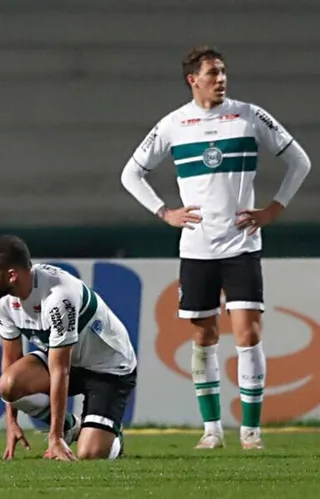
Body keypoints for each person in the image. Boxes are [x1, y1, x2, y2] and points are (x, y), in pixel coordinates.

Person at [120, 46, 312, 450]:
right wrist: (164, 212)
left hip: (242, 243)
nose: (221, 78)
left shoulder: (248, 115)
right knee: (204, 336)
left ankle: (251, 431)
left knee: (248, 333)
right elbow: (131, 173)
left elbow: (300, 161)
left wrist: (274, 209)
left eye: (223, 72)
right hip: (197, 249)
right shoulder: (174, 124)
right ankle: (212, 431)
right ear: (194, 79)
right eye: (213, 73)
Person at [0, 235, 136, 461]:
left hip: (108, 368)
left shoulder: (58, 297)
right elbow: (11, 360)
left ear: (12, 275)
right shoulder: (2, 298)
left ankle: (112, 437)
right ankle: (71, 427)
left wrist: (54, 438)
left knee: (89, 454)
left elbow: (59, 371)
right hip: (69, 361)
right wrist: (11, 423)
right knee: (8, 384)